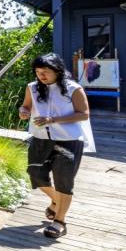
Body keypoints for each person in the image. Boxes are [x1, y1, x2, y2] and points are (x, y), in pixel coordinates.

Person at [19, 53, 94, 238]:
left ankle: (59, 222)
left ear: (58, 71)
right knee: (35, 173)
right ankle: (56, 201)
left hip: (68, 140)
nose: (41, 76)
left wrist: (53, 120)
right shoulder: (32, 88)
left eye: (45, 72)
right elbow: (26, 106)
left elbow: (84, 114)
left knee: (63, 180)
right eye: (37, 72)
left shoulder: (73, 88)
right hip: (40, 139)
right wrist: (24, 111)